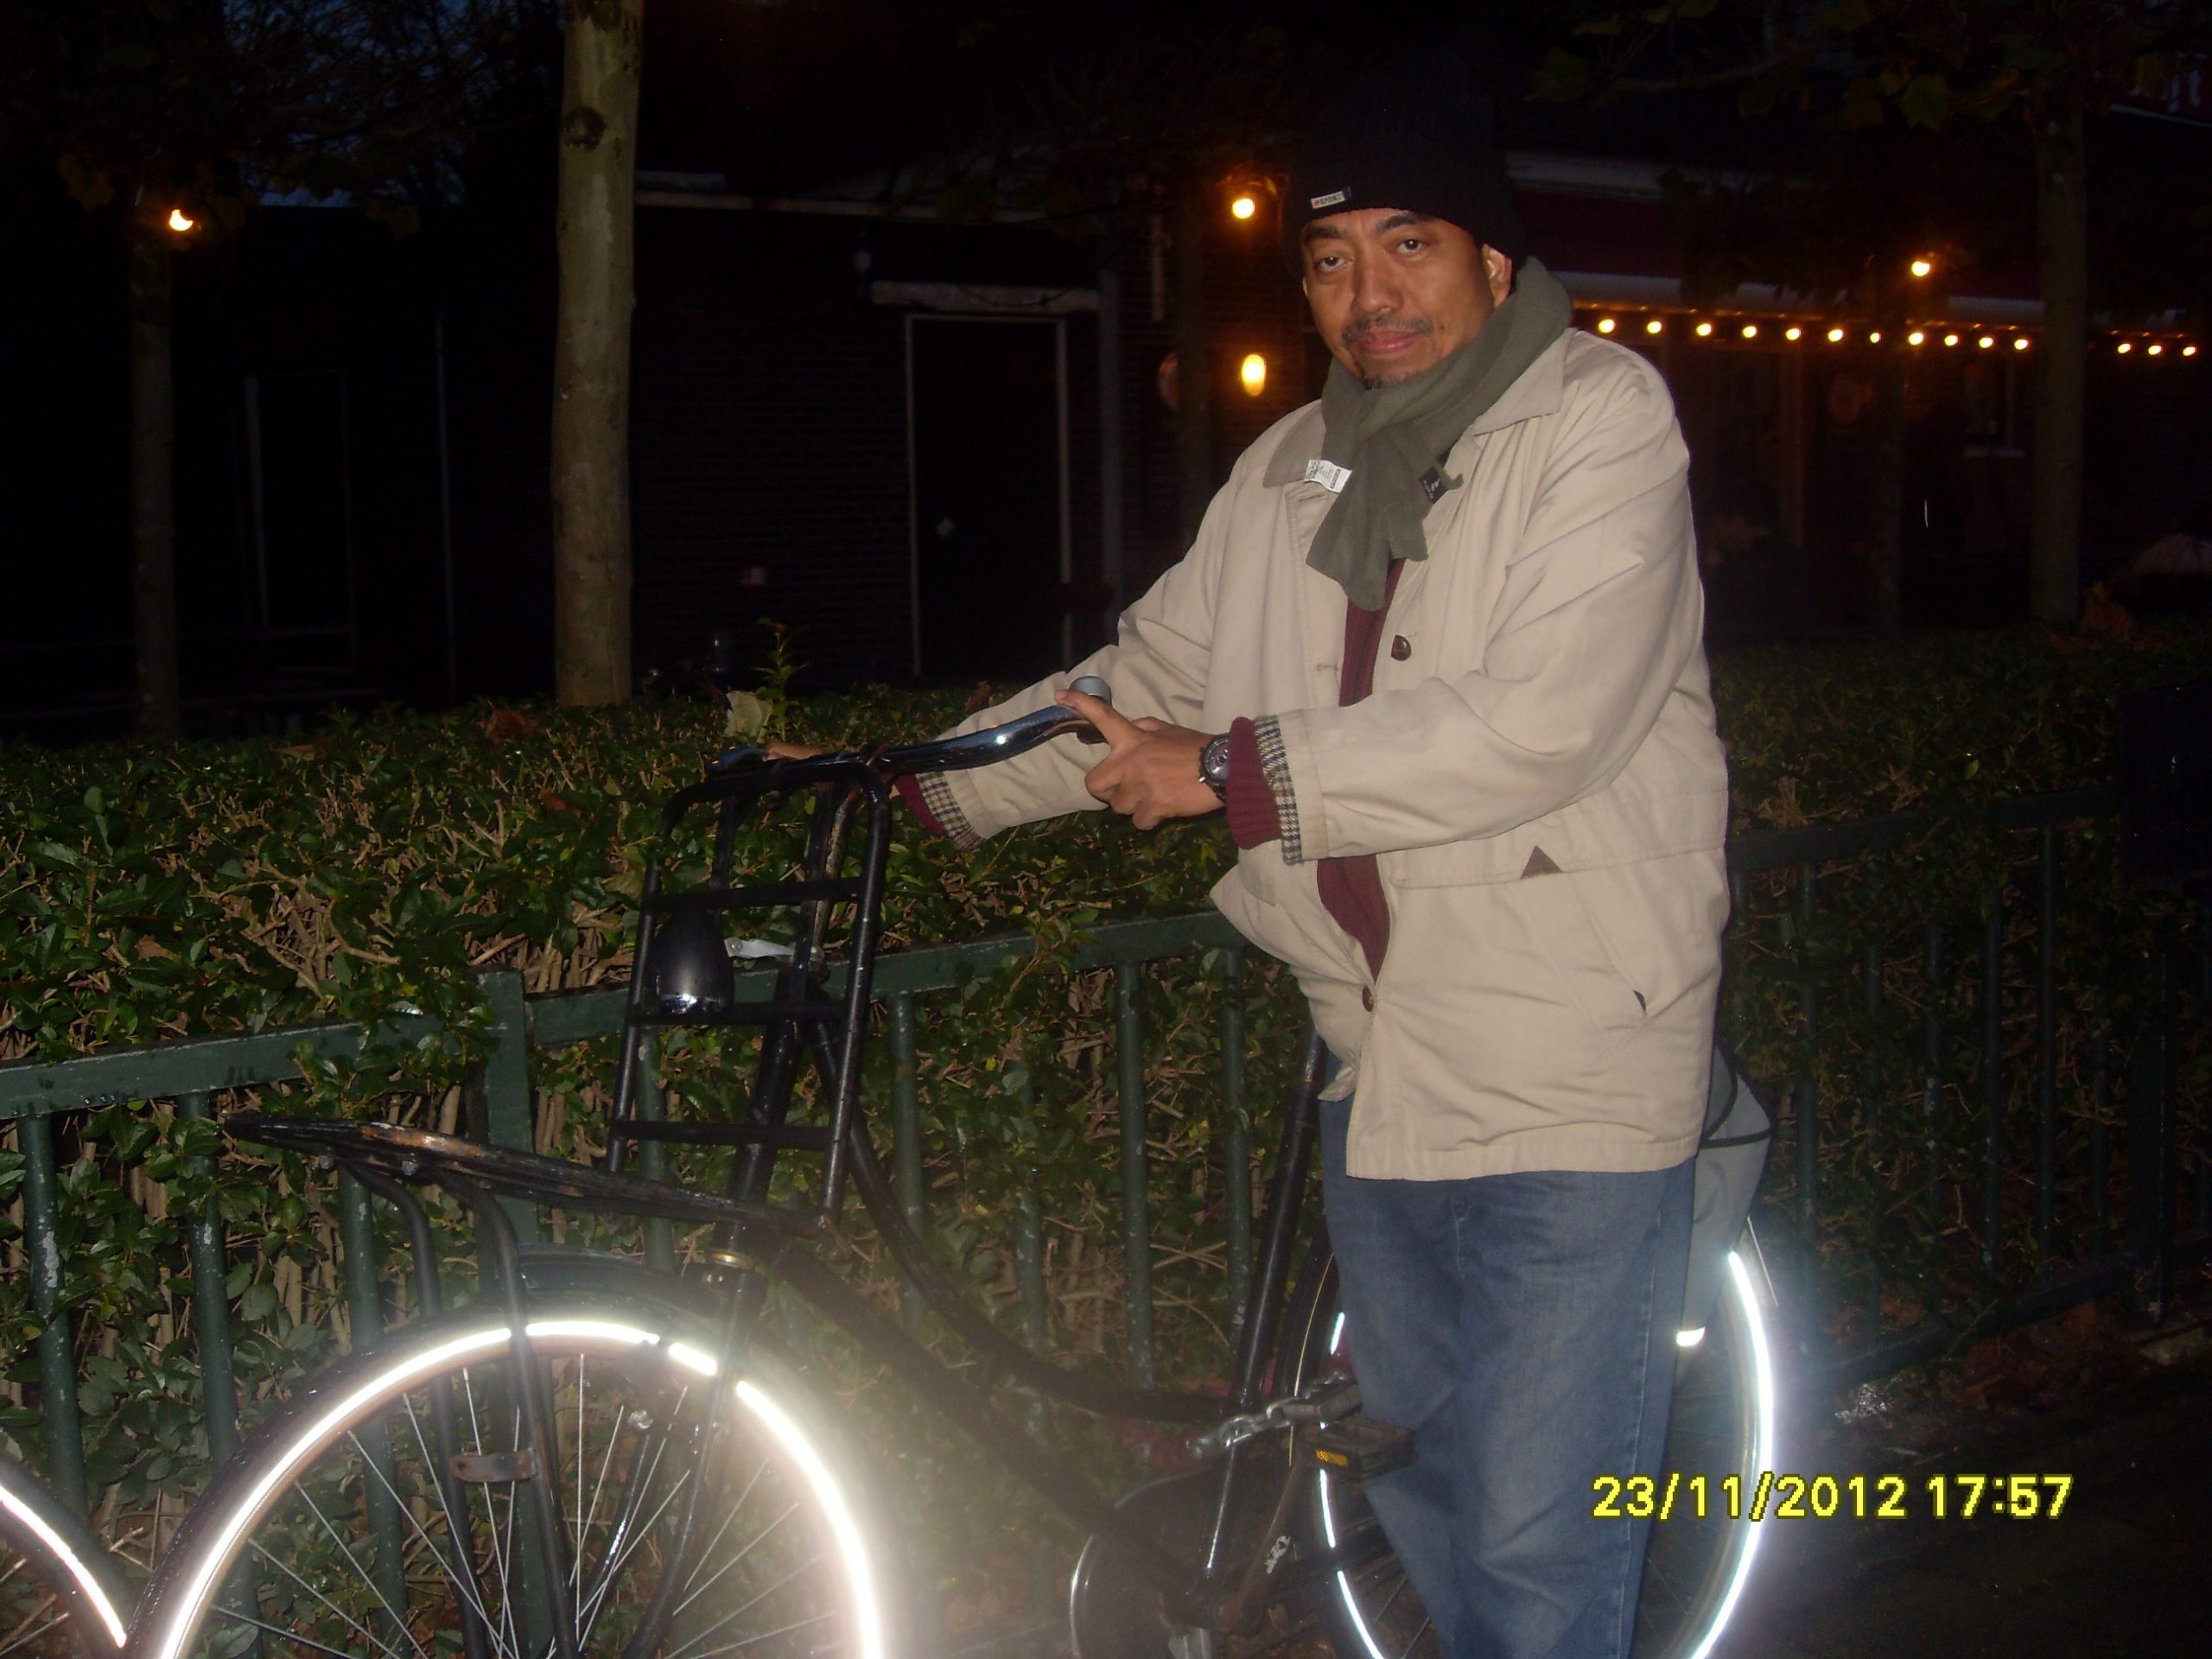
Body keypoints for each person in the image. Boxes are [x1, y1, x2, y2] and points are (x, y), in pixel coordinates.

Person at [786, 54, 1728, 1659]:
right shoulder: (1292, 468)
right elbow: (1143, 681)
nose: (1371, 294)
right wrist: (910, 789)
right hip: (1382, 1061)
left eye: (1410, 243)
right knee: (1424, 1495)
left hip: (1573, 1055)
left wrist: (1235, 771)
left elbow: (1542, 719)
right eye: (1331, 257)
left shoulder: (1600, 417)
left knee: (1537, 1536)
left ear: (1496, 259)